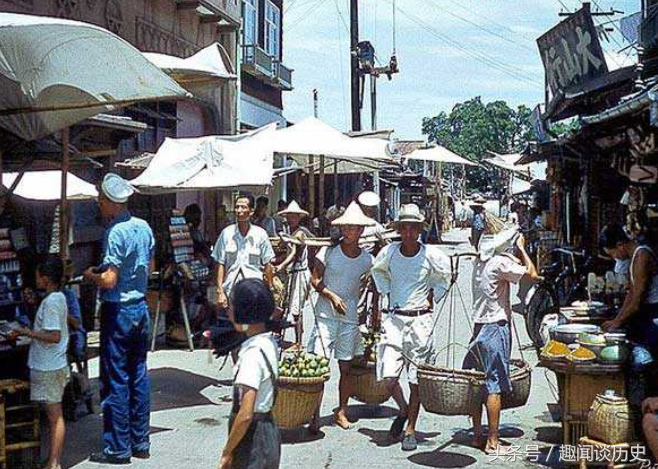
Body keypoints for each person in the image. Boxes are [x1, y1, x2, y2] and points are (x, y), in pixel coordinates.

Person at [84, 173, 155, 464]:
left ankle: (117, 448)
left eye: (101, 200)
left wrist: (91, 276)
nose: (99, 205)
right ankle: (141, 442)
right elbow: (150, 267)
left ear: (112, 203)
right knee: (138, 375)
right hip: (140, 307)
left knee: (116, 379)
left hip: (119, 311)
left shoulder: (115, 232)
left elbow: (110, 279)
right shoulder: (143, 227)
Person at [371, 204, 451, 451]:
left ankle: (411, 429)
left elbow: (445, 276)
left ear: (419, 230)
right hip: (394, 319)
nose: (408, 232)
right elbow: (377, 271)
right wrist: (385, 292)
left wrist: (433, 295)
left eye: (412, 228)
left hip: (420, 321)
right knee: (388, 377)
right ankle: (404, 409)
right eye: (404, 227)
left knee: (415, 379)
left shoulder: (431, 255)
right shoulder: (389, 252)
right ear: (399, 229)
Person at [462, 229, 539, 454]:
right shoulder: (499, 263)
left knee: (477, 382)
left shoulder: (479, 263)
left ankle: (477, 434)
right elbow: (532, 274)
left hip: (479, 327)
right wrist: (522, 248)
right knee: (493, 384)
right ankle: (493, 441)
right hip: (495, 326)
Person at [308, 202, 375, 430]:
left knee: (345, 368)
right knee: (319, 365)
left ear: (361, 231)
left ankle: (342, 410)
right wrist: (331, 296)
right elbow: (315, 280)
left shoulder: (367, 259)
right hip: (325, 316)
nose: (348, 231)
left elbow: (373, 285)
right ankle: (314, 413)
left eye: (353, 228)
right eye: (345, 227)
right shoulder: (327, 252)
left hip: (349, 318)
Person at [218, 278, 281, 469]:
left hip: (253, 437)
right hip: (267, 429)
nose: (228, 312)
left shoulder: (251, 355)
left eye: (232, 307)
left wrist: (227, 452)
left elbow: (246, 414)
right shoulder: (268, 342)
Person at [17, 256, 69, 469]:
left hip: (49, 366)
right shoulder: (57, 298)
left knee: (54, 417)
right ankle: (52, 460)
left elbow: (54, 335)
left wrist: (28, 332)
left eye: (38, 275)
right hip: (50, 365)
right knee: (53, 415)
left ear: (45, 278)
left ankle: (53, 462)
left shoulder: (52, 302)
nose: (35, 278)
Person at [600, 224, 658, 403]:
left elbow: (637, 298)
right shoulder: (634, 257)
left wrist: (617, 322)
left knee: (648, 366)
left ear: (620, 245)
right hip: (645, 314)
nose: (615, 258)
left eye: (612, 253)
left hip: (653, 315)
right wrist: (616, 319)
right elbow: (630, 295)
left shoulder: (642, 255)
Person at [213, 195, 276, 311]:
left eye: (243, 207)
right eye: (237, 207)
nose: (239, 211)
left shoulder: (260, 234)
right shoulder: (226, 234)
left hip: (254, 292)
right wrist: (220, 291)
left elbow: (268, 264)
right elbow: (220, 263)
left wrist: (270, 289)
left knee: (252, 326)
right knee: (233, 325)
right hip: (231, 290)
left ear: (251, 211)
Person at [273, 201, 313, 345]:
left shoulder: (300, 232)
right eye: (289, 216)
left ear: (298, 217)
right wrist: (275, 261)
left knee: (296, 309)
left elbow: (294, 254)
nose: (291, 219)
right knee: (282, 305)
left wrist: (282, 265)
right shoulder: (289, 232)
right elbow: (287, 253)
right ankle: (277, 337)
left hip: (300, 273)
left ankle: (298, 343)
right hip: (292, 273)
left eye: (294, 216)